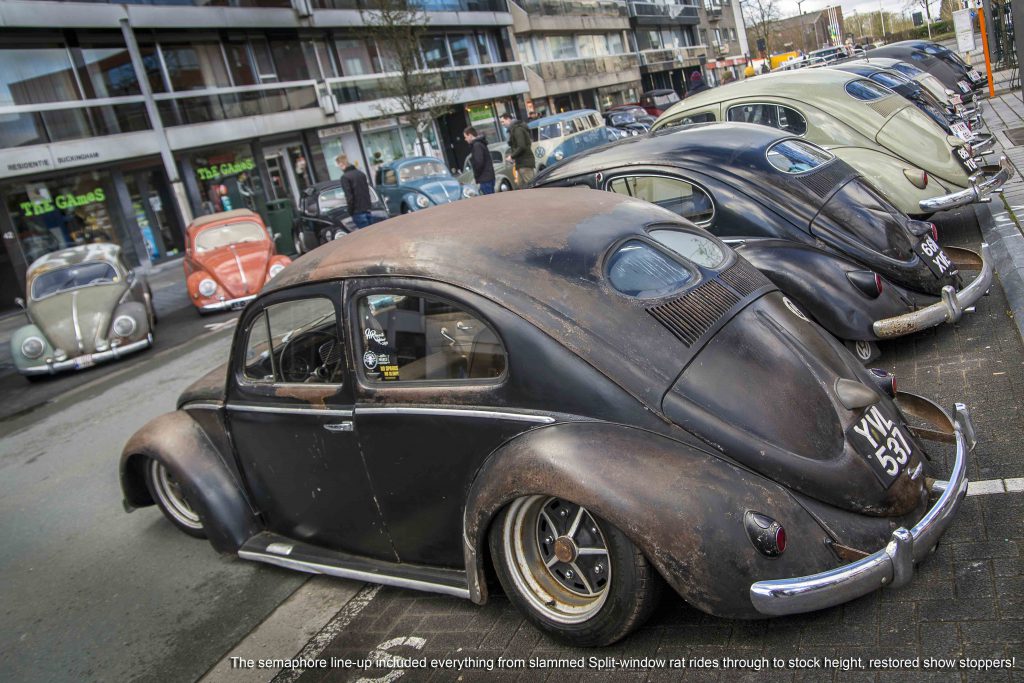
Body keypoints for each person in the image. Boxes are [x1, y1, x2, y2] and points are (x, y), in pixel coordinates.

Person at [337, 154, 377, 229]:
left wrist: (350, 211)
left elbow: (349, 196)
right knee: (372, 232)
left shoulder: (345, 177)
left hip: (357, 210)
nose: (339, 167)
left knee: (364, 235)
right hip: (367, 208)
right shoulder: (361, 174)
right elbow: (366, 191)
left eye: (338, 165)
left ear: (342, 164)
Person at [500, 112, 535, 189]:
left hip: (525, 163)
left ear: (508, 119)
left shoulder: (517, 130)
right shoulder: (514, 129)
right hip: (521, 163)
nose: (502, 124)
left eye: (503, 121)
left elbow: (521, 146)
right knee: (521, 186)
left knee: (530, 186)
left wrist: (512, 156)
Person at [463, 126, 496, 195]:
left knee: (489, 202)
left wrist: (477, 175)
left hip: (485, 178)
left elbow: (479, 162)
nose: (465, 139)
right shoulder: (480, 143)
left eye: (465, 137)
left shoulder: (477, 145)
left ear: (470, 135)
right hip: (488, 177)